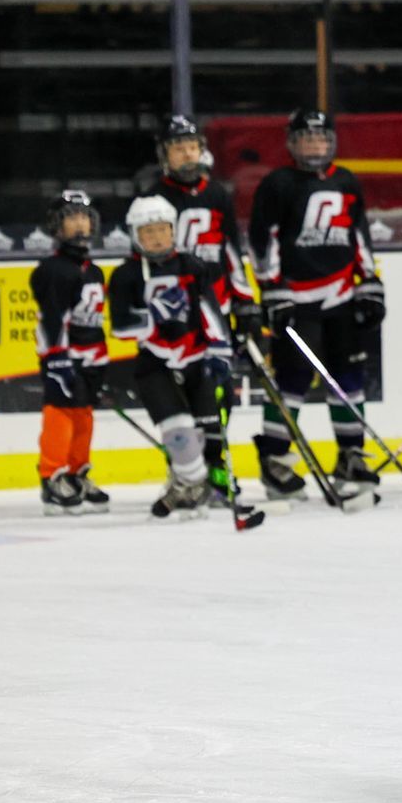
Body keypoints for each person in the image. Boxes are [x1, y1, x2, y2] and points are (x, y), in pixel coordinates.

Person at [249, 109, 383, 505]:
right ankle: (275, 460)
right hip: (296, 299)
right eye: (307, 139)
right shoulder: (278, 184)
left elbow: (359, 237)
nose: (315, 146)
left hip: (342, 296)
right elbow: (263, 240)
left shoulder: (346, 181)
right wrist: (273, 288)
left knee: (348, 379)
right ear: (292, 143)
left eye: (321, 138)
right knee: (290, 381)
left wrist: (371, 283)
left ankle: (350, 457)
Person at [109, 195, 254, 524]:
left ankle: (185, 488)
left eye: (162, 230)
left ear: (174, 231)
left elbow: (210, 311)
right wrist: (157, 321)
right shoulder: (125, 275)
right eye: (148, 232)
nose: (157, 238)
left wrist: (219, 351)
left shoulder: (192, 266)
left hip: (196, 360)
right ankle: (196, 481)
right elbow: (120, 325)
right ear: (135, 236)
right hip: (155, 363)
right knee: (179, 430)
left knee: (209, 428)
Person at [152, 115, 263, 511]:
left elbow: (231, 250)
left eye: (192, 146)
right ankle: (184, 472)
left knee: (217, 397)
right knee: (180, 402)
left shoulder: (216, 194)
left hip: (215, 315)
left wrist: (246, 300)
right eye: (178, 147)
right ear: (164, 154)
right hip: (176, 317)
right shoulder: (153, 200)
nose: (187, 153)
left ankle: (216, 472)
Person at [30, 191, 110, 516]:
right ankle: (52, 476)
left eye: (84, 217)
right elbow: (51, 318)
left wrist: (101, 356)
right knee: (60, 413)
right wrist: (57, 357)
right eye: (71, 218)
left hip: (92, 357)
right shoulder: (52, 270)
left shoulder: (94, 270)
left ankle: (78, 472)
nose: (80, 224)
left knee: (84, 416)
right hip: (64, 356)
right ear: (56, 226)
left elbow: (94, 319)